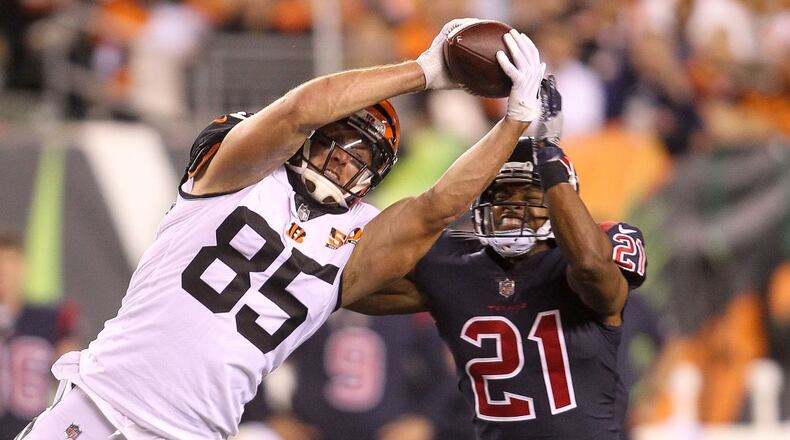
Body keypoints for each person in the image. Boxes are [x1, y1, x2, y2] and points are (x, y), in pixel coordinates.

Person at [16, 21, 547, 440]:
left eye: (361, 155)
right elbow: (299, 110)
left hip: (196, 431)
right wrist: (426, 70)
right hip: (101, 402)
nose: (343, 160)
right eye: (337, 140)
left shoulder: (361, 235)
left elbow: (435, 208)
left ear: (375, 172)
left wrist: (515, 118)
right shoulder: (242, 174)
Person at [348, 78, 648, 439]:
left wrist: (550, 161)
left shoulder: (594, 252)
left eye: (528, 196)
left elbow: (590, 267)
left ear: (560, 201)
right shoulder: (454, 265)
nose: (511, 209)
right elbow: (348, 289)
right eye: (502, 196)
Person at [238, 310, 473, 440]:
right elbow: (253, 354)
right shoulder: (312, 303)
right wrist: (269, 416)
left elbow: (447, 376)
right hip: (309, 430)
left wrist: (426, 420)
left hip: (388, 431)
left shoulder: (405, 310)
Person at [0, 229, 80, 440]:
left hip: (31, 430)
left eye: (11, 264)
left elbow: (72, 375)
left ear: (23, 267)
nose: (6, 273)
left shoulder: (49, 319)